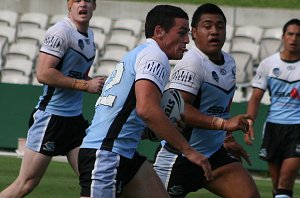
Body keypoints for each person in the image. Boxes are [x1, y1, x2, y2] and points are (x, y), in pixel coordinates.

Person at [78, 5, 215, 198]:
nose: (187, 40)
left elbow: (127, 116)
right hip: (107, 154)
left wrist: (156, 129)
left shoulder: (140, 53)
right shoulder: (156, 56)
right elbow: (147, 109)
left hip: (122, 152)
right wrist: (188, 150)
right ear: (159, 31)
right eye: (182, 33)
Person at [153, 3, 260, 198]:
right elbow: (180, 108)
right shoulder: (192, 63)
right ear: (194, 32)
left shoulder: (229, 62)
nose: (214, 31)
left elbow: (217, 107)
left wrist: (226, 138)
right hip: (180, 159)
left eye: (220, 26)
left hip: (214, 155)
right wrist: (224, 125)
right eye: (207, 26)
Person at [0, 0, 105, 197]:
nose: (82, 4)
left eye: (88, 1)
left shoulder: (89, 35)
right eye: (77, 0)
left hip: (74, 121)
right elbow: (44, 74)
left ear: (94, 5)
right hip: (51, 118)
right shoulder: (60, 32)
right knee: (26, 183)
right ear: (69, 5)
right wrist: (86, 85)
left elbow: (77, 75)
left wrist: (99, 83)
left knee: (94, 179)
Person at [244, 18, 300, 198]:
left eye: (299, 35)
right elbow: (256, 97)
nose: (294, 38)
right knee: (277, 186)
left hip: (297, 128)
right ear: (283, 37)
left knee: (286, 179)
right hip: (273, 128)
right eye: (290, 34)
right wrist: (250, 120)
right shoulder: (268, 64)